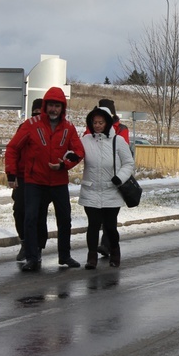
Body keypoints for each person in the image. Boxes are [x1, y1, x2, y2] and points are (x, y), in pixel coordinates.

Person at [5, 86, 84, 271]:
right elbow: (12, 148)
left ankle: (65, 256)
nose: (53, 109)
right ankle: (32, 257)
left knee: (64, 219)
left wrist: (64, 165)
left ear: (62, 108)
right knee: (31, 218)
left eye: (57, 106)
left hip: (58, 181)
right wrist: (11, 173)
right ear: (45, 106)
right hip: (35, 181)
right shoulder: (31, 125)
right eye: (50, 105)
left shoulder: (69, 128)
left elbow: (79, 152)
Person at [79, 106, 134, 269]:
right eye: (94, 122)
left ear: (107, 123)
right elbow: (74, 153)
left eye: (101, 122)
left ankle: (115, 252)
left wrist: (120, 178)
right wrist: (68, 158)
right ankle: (91, 257)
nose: (97, 125)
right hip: (91, 190)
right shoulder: (85, 141)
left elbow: (129, 163)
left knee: (110, 226)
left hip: (112, 191)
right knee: (93, 225)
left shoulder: (118, 141)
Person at [11, 98, 50, 261]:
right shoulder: (24, 127)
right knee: (19, 211)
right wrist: (12, 174)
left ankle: (38, 246)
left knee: (39, 214)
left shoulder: (49, 129)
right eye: (33, 112)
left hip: (41, 177)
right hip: (22, 177)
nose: (36, 115)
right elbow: (13, 150)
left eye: (39, 112)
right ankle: (25, 242)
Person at [95, 98, 129, 257]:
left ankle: (108, 244)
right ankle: (107, 245)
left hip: (115, 179)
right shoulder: (93, 128)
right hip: (97, 178)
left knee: (110, 215)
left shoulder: (121, 129)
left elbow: (125, 153)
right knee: (100, 215)